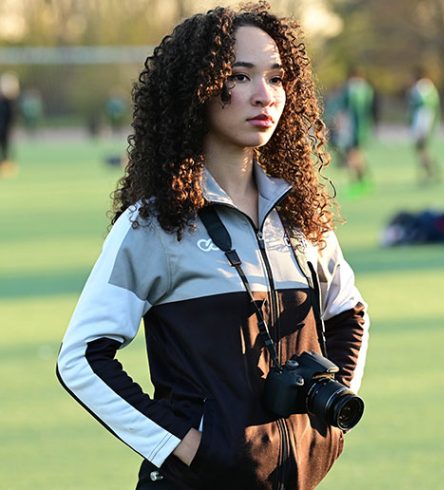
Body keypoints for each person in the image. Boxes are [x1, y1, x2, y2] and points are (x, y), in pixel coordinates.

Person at [55, 3, 369, 489]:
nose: (264, 95)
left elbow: (348, 312)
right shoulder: (155, 224)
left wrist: (326, 424)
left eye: (276, 77)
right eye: (240, 77)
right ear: (196, 88)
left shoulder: (301, 218)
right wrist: (186, 446)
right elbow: (81, 358)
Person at [336, 66, 376, 196]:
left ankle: (356, 184)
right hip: (363, 128)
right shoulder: (367, 89)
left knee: (351, 157)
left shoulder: (351, 89)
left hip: (352, 128)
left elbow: (344, 109)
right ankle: (364, 182)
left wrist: (339, 124)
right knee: (357, 156)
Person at [407, 66, 440, 183]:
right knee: (423, 148)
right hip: (428, 122)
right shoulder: (431, 88)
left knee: (420, 148)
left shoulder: (420, 88)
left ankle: (429, 170)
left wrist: (414, 125)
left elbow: (422, 109)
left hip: (421, 123)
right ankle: (429, 170)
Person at [0, 72, 19, 178]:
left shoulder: (8, 103)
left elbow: (11, 117)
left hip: (5, 130)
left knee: (5, 148)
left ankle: (5, 166)